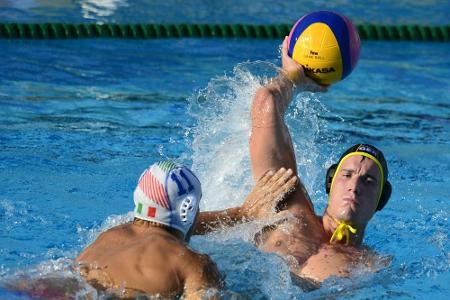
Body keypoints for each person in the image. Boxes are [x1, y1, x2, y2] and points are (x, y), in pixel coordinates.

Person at [194, 37, 392, 286]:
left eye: (369, 180)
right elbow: (266, 103)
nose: (355, 185)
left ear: (381, 200)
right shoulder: (288, 204)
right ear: (330, 182)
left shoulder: (374, 265)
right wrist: (293, 79)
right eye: (347, 174)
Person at [75, 160, 298, 298]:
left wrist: (242, 214)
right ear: (187, 208)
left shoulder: (109, 237)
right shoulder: (192, 263)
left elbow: (167, 227)